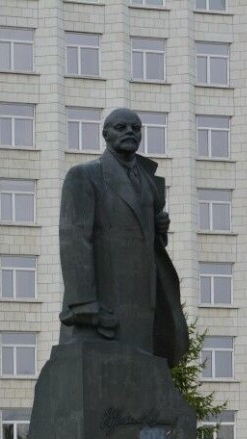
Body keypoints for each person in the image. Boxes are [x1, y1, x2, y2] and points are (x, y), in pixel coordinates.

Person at [58, 108, 188, 367]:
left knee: (140, 377)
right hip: (104, 303)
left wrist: (158, 230)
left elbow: (144, 240)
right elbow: (74, 238)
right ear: (105, 134)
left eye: (136, 128)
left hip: (143, 302)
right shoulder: (84, 175)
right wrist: (83, 303)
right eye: (121, 127)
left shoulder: (149, 181)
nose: (130, 132)